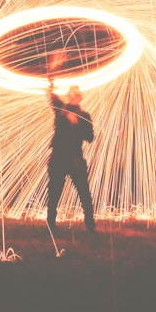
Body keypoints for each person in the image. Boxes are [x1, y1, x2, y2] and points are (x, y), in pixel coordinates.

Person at [46, 79, 96, 234]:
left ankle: (90, 224)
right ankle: (50, 223)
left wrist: (77, 123)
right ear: (68, 95)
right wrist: (51, 82)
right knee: (54, 191)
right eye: (71, 92)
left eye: (77, 93)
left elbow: (90, 137)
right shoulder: (60, 109)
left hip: (75, 157)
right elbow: (51, 97)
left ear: (80, 97)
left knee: (84, 192)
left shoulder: (84, 115)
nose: (74, 95)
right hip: (58, 156)